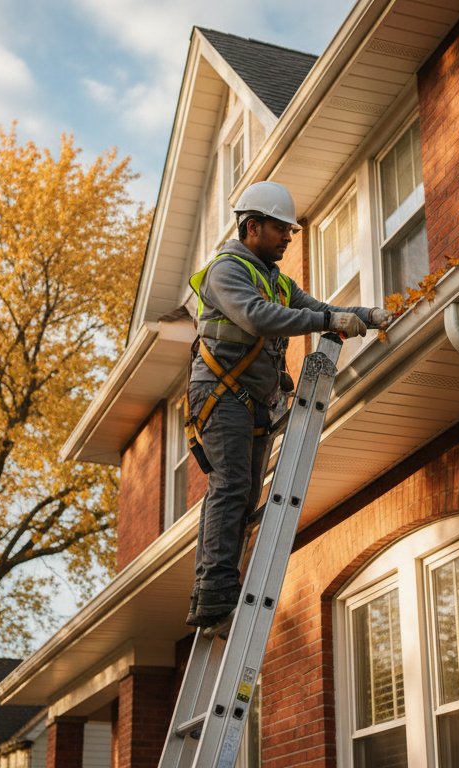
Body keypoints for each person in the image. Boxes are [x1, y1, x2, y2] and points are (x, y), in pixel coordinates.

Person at [183, 180, 392, 627]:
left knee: (246, 493)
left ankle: (218, 586)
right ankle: (214, 591)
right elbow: (257, 318)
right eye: (281, 230)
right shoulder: (228, 271)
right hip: (221, 396)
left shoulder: (277, 280)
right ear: (252, 226)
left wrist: (369, 316)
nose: (288, 238)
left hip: (255, 401)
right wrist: (325, 320)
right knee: (232, 486)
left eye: (291, 232)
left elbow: (318, 307)